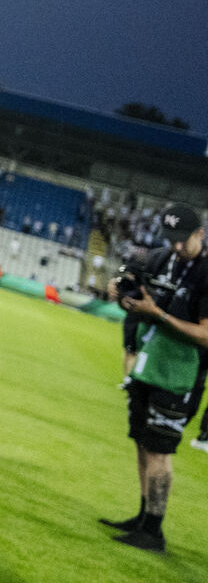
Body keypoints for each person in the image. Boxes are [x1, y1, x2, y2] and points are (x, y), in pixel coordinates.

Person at [101, 204, 208, 554]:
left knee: (160, 449)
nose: (176, 246)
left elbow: (206, 334)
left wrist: (158, 314)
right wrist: (122, 297)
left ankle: (154, 531)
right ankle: (143, 516)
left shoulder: (205, 271)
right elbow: (141, 303)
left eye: (183, 240)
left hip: (181, 373)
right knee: (143, 441)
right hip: (148, 363)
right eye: (171, 238)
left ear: (200, 234)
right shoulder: (161, 259)